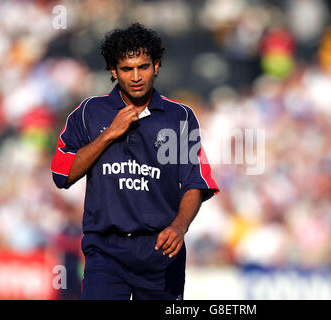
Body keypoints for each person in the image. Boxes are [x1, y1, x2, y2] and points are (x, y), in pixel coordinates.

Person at [51, 23, 219, 300]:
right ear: (114, 71)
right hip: (105, 250)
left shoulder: (180, 117)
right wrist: (109, 135)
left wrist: (179, 227)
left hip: (161, 252)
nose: (136, 76)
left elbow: (195, 181)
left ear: (157, 65)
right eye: (127, 69)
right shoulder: (89, 113)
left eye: (143, 66)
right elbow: (62, 174)